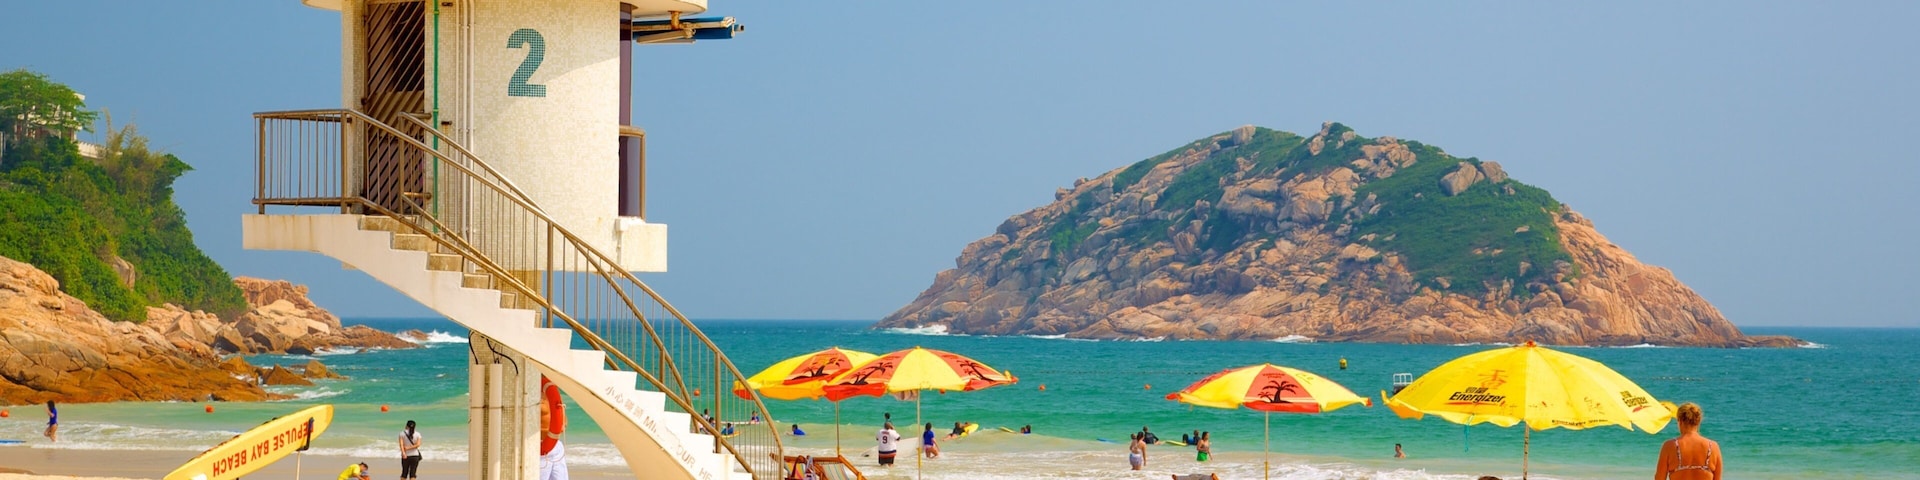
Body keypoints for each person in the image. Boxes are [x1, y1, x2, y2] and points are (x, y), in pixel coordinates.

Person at [1655, 402, 1722, 480]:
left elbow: (1659, 478)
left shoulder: (1669, 446)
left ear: (1680, 421)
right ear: (1699, 421)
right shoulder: (1713, 446)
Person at [539, 376, 569, 480]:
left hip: (557, 447)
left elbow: (559, 412)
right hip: (543, 448)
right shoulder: (536, 395)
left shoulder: (553, 392)